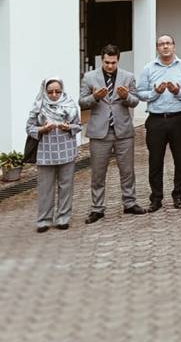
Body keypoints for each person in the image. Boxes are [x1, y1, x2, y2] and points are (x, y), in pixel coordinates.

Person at [79, 44, 147, 223]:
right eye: (107, 62)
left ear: (118, 60)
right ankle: (97, 208)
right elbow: (82, 102)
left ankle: (130, 203)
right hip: (99, 133)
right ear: (102, 59)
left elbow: (135, 101)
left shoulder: (128, 77)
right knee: (98, 173)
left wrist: (126, 96)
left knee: (127, 171)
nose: (110, 66)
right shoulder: (89, 77)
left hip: (123, 131)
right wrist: (95, 97)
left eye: (113, 62)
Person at [136, 35, 181, 211]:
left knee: (180, 159)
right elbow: (140, 93)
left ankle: (178, 196)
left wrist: (177, 92)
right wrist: (155, 93)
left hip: (179, 119)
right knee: (155, 161)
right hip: (156, 120)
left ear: (174, 46)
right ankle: (156, 198)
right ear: (157, 48)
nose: (165, 46)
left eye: (168, 43)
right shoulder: (148, 69)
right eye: (161, 44)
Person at [27, 78, 81, 233]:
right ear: (45, 91)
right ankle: (43, 220)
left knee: (66, 186)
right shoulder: (38, 106)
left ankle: (63, 218)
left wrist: (68, 127)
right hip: (45, 152)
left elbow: (78, 126)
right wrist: (42, 129)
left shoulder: (70, 104)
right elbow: (29, 128)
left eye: (57, 91)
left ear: (62, 90)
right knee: (45, 188)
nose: (54, 95)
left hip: (66, 150)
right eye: (50, 92)